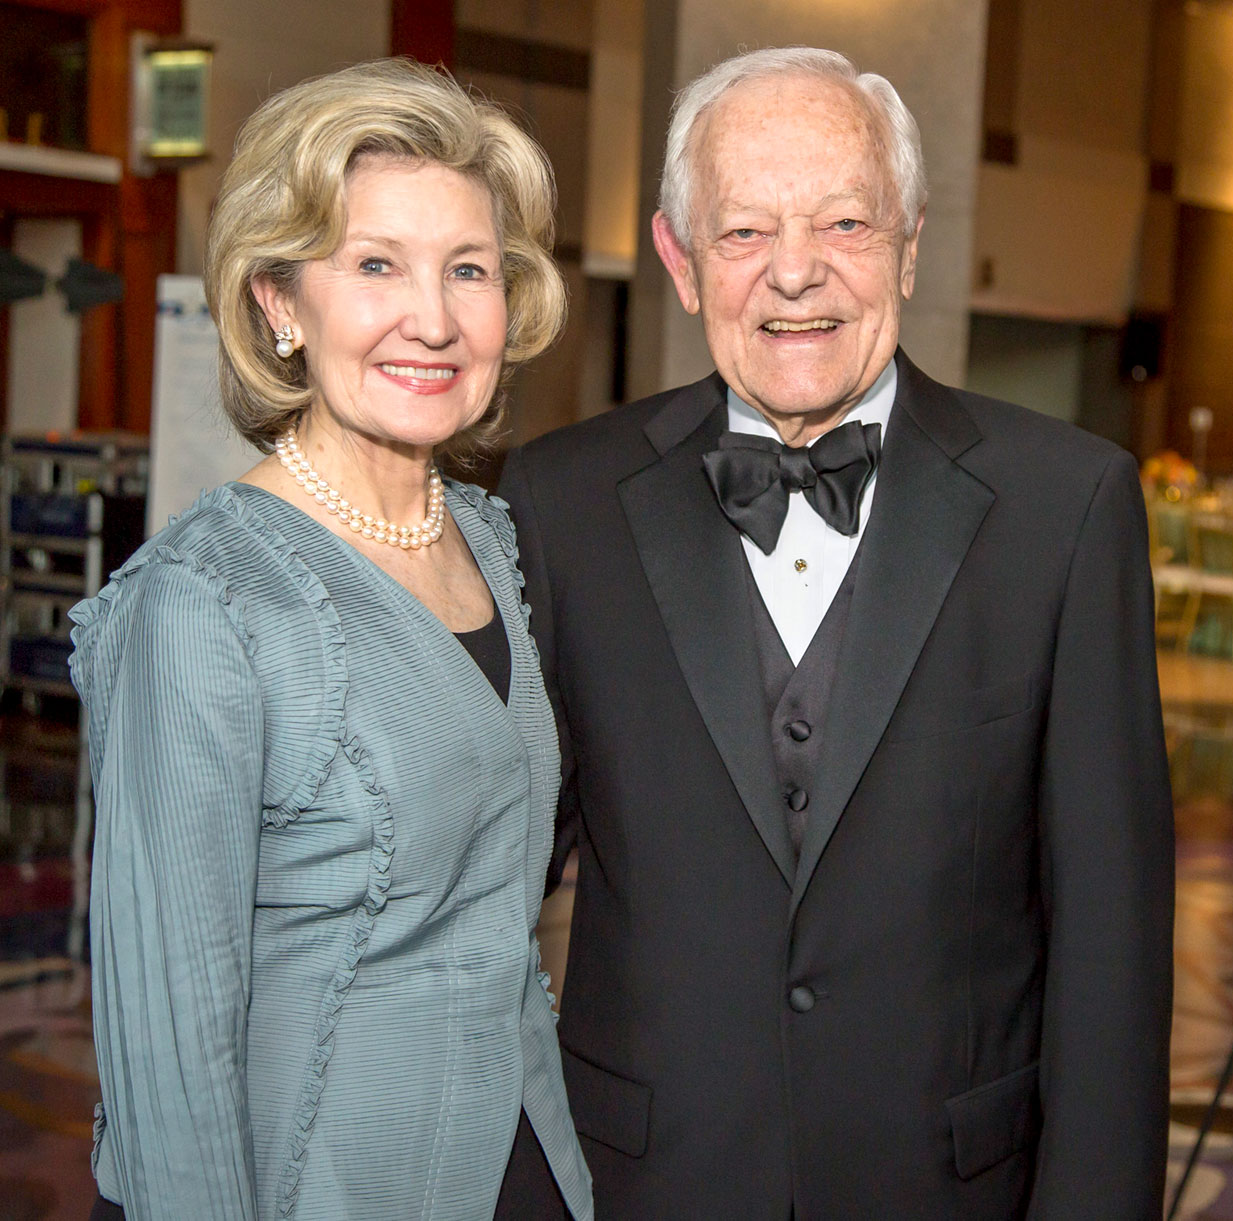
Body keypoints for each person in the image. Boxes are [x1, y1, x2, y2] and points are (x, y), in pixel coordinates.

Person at [498, 46, 1175, 1219]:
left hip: (950, 1187)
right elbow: (481, 895)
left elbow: (1112, 943)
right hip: (640, 1180)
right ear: (679, 258)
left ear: (910, 241)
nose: (794, 275)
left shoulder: (1066, 508)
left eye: (845, 222)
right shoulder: (557, 502)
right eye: (744, 232)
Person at [70, 59, 593, 1220]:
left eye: (468, 270)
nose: (434, 318)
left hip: (525, 1165)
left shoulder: (490, 544)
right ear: (279, 303)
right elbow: (166, 1059)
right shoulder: (202, 603)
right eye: (373, 266)